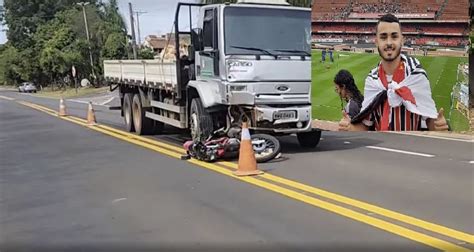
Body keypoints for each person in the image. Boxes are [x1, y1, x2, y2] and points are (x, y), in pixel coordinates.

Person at [339, 13, 448, 131]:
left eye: (394, 36)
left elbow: (428, 121)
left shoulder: (416, 74)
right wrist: (350, 128)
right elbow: (366, 125)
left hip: (410, 147)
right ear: (376, 41)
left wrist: (438, 126)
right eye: (383, 37)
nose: (389, 43)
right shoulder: (372, 80)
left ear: (402, 40)